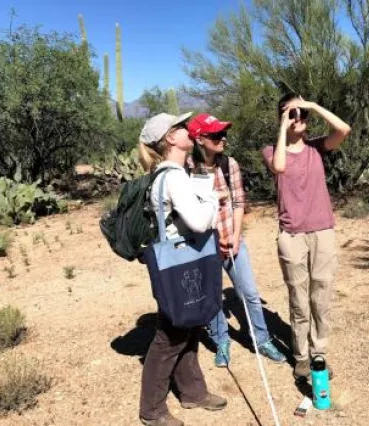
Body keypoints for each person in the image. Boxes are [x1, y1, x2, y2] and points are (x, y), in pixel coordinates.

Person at [137, 112, 227, 426]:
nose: (188, 129)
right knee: (169, 336)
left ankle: (193, 393)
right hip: (179, 264)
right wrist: (215, 199)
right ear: (170, 138)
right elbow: (200, 221)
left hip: (180, 261)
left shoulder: (173, 173)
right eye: (181, 127)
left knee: (187, 326)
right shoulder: (173, 176)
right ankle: (152, 411)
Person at [261, 93, 351, 381]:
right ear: (282, 118)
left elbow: (343, 130)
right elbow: (279, 167)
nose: (298, 118)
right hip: (292, 234)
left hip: (322, 230)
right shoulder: (271, 150)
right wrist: (284, 125)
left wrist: (311, 106)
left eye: (302, 115)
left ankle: (319, 352)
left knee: (320, 297)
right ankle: (300, 356)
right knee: (298, 299)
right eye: (292, 114)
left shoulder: (316, 148)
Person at [186, 113, 286, 367]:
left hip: (233, 239)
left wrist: (236, 236)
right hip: (203, 245)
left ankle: (261, 339)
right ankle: (221, 340)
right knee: (212, 297)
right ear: (200, 140)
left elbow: (239, 203)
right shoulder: (186, 168)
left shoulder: (230, 164)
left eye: (224, 133)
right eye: (217, 134)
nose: (223, 139)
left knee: (249, 293)